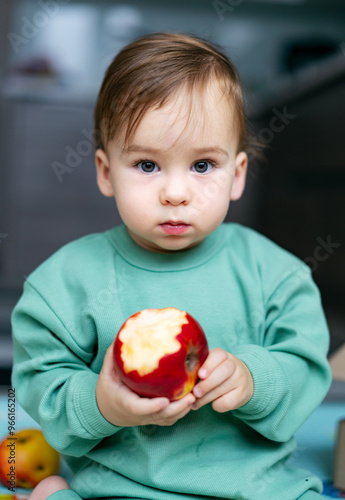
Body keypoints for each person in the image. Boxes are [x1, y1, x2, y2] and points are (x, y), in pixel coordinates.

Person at [11, 32, 332, 500]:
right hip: (123, 488)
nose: (176, 192)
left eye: (203, 166)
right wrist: (103, 404)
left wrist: (254, 378)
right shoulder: (64, 283)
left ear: (237, 175)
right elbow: (40, 383)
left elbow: (306, 368)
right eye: (146, 165)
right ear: (105, 172)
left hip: (257, 490)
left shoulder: (276, 276)